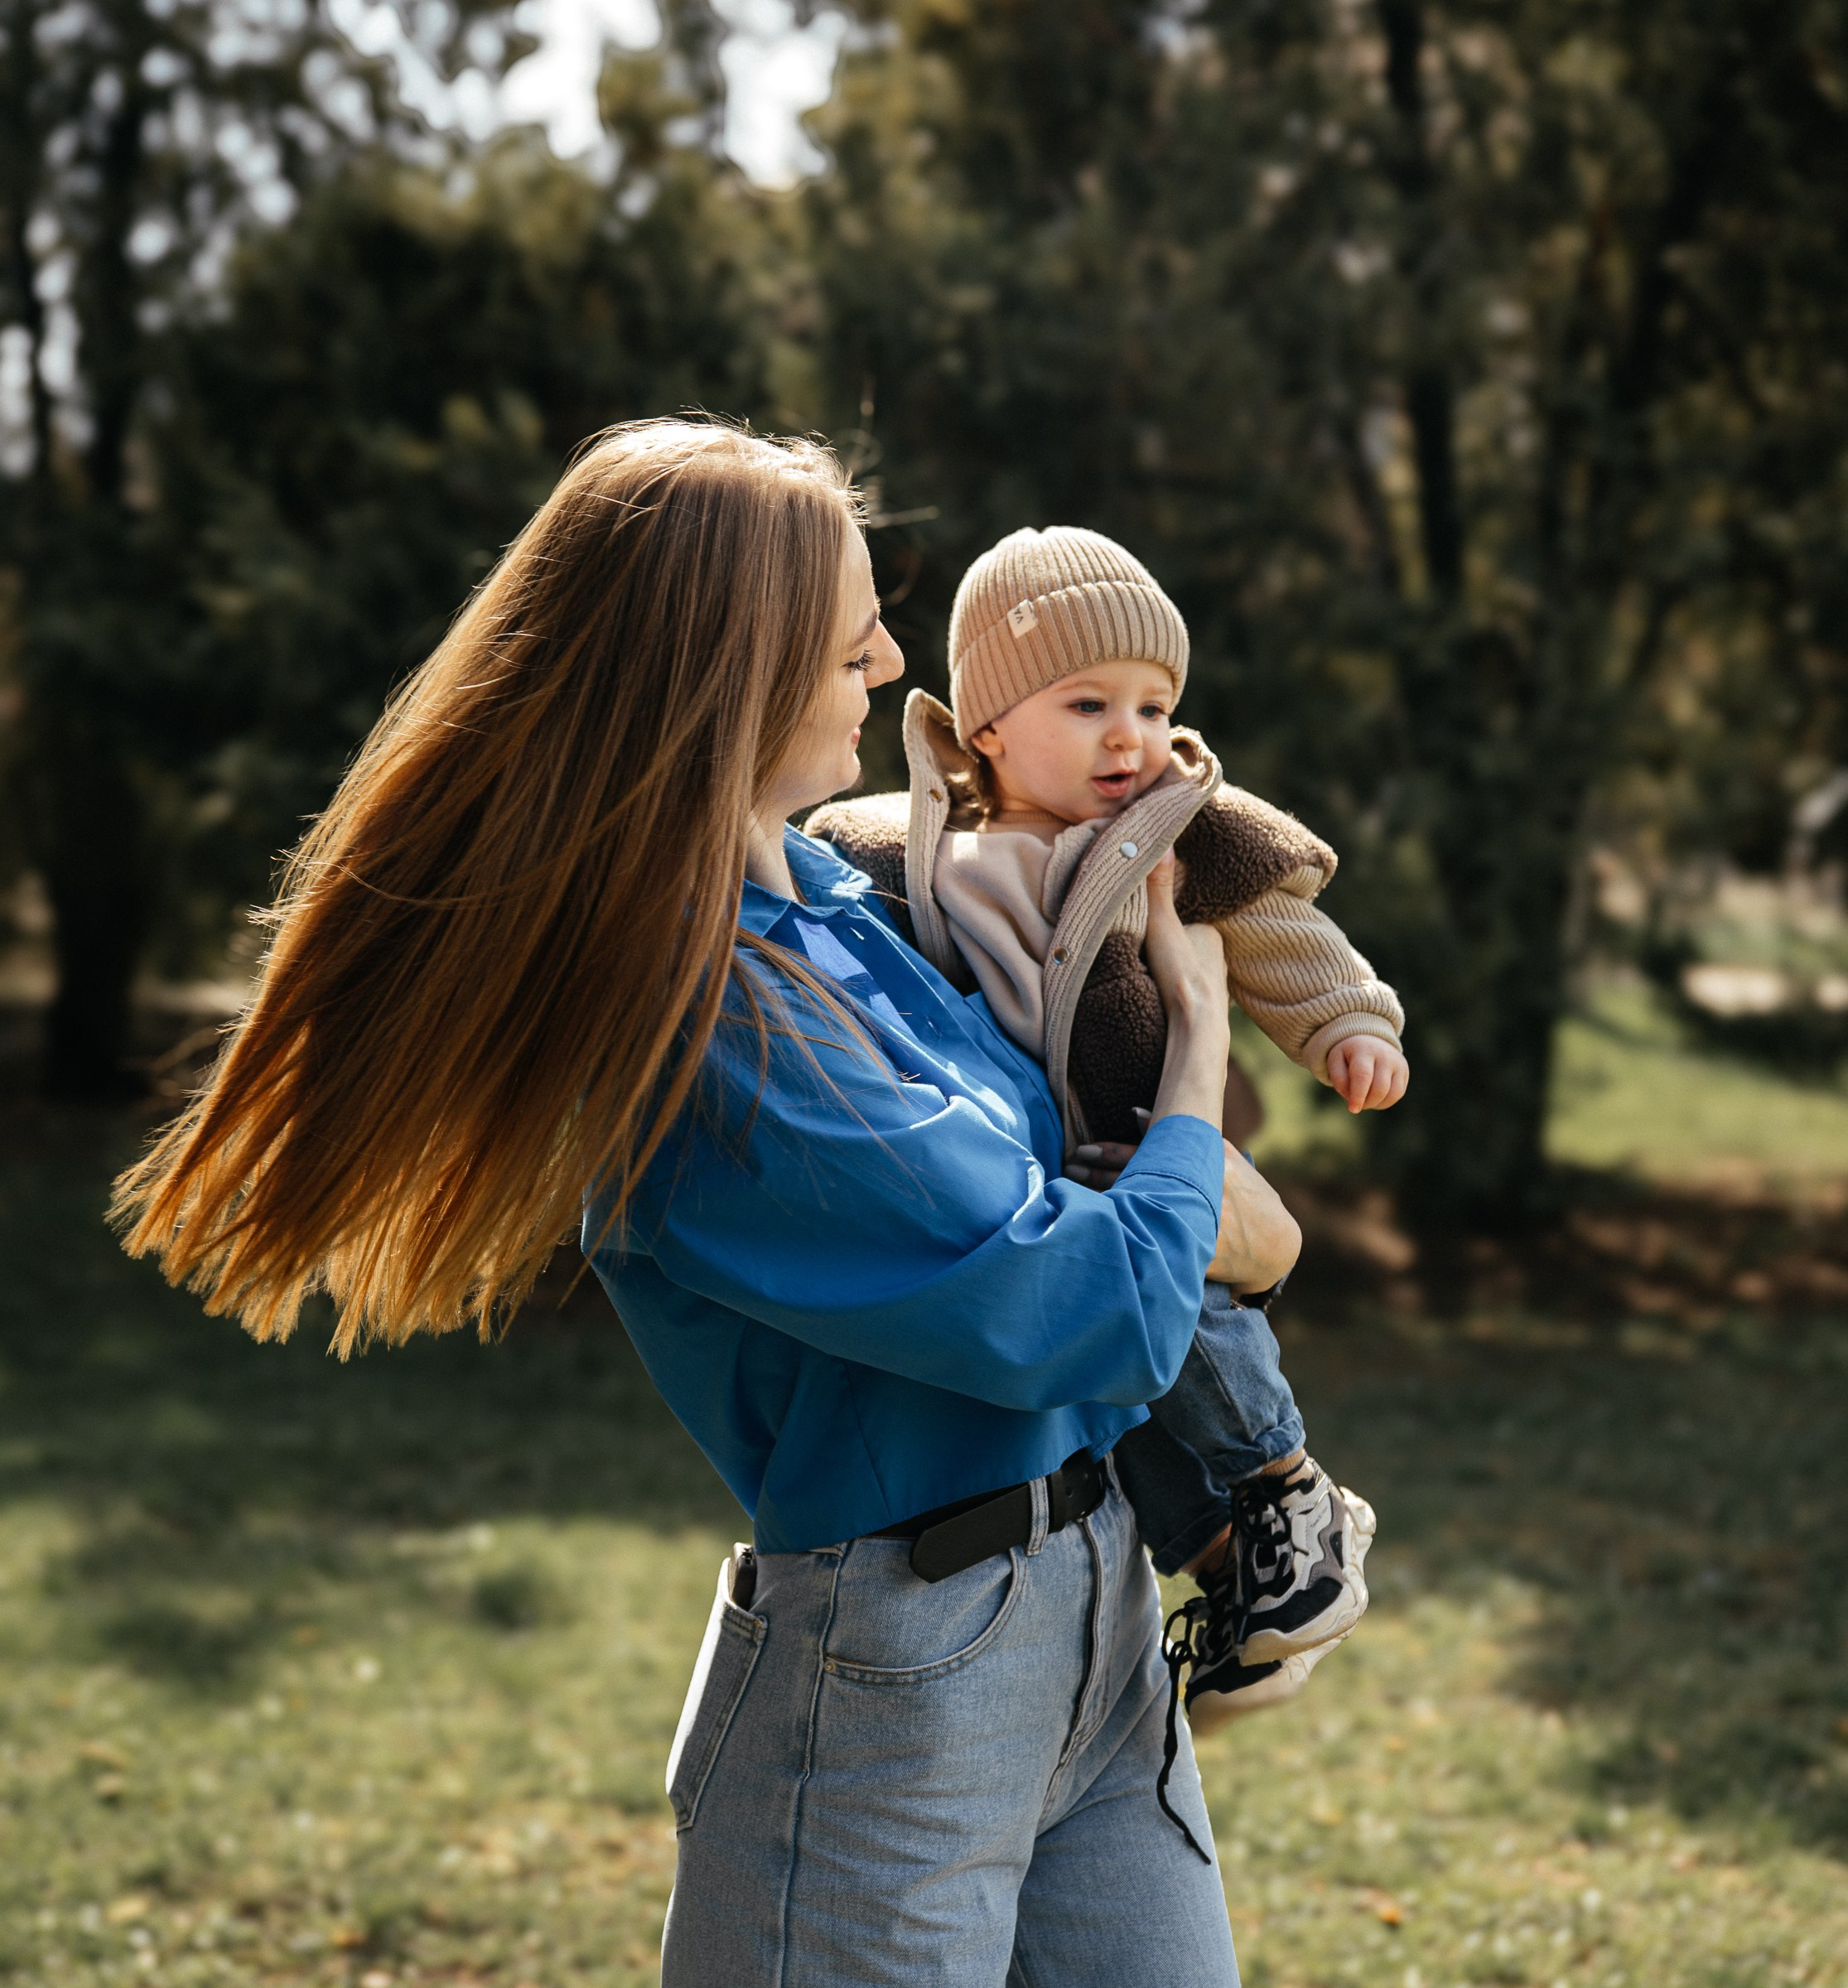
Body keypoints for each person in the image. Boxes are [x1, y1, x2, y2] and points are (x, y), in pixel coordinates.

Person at [113, 421, 1274, 1986]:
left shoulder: (850, 916)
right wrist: (1197, 1051)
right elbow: (1097, 1310)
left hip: (1102, 1619)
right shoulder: (706, 1032)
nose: (882, 651)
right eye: (850, 621)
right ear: (732, 660)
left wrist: (1197, 1199)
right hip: (899, 1684)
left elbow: (1184, 1222)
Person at [808, 525, 1410, 1727]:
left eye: (1154, 702)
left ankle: (1288, 1490)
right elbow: (815, 878)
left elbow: (1287, 937)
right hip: (1033, 1184)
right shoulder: (903, 839)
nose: (1131, 736)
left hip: (1153, 1151)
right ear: (987, 723)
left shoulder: (1186, 825)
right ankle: (1240, 1578)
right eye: (1089, 704)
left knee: (1190, 1324)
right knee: (1107, 1402)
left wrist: (1352, 1024)